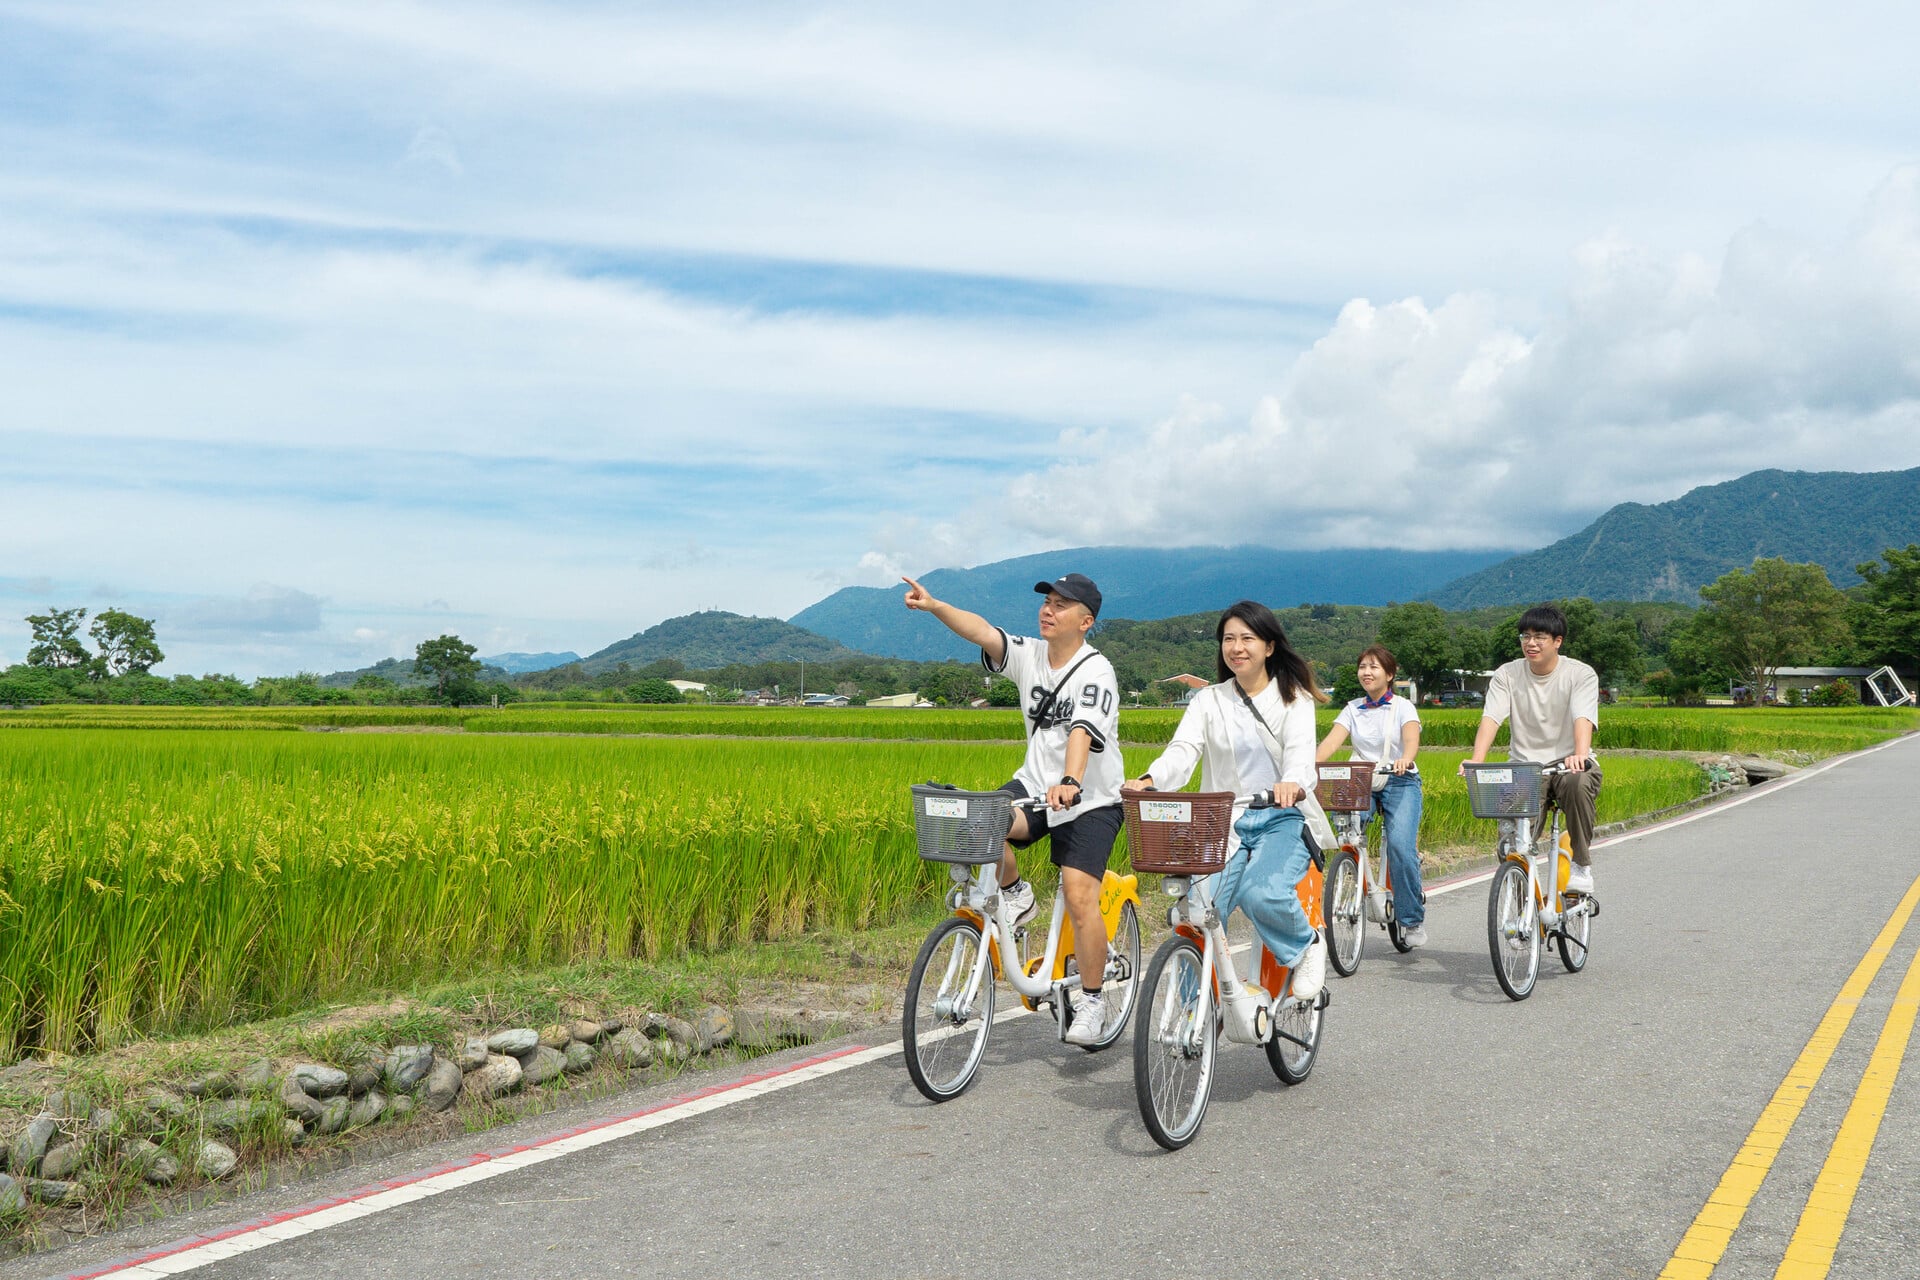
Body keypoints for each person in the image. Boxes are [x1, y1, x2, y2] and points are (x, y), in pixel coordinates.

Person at [902, 571, 1124, 1046]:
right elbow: (983, 631)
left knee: (1079, 892)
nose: (1048, 609)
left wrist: (1070, 781)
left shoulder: (1096, 671)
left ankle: (1092, 1000)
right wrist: (936, 605)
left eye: (1062, 605)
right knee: (981, 822)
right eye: (1047, 601)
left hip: (1091, 800)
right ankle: (1017, 893)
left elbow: (1082, 732)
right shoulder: (1029, 655)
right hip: (1035, 787)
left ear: (1085, 621)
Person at [1128, 601, 1332, 1003]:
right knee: (1197, 912)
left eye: (1247, 639)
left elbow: (1300, 757)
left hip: (1280, 819)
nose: (1237, 647)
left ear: (1269, 647)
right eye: (1229, 639)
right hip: (1222, 822)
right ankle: (1192, 1014)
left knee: (1262, 892)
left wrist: (1289, 783)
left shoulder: (1294, 699)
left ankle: (1307, 946)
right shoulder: (1209, 700)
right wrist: (1152, 779)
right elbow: (1184, 749)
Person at [1462, 604, 1602, 893]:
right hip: (1525, 768)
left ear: (1557, 641)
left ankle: (1581, 865)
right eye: (1525, 636)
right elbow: (1491, 717)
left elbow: (1582, 716)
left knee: (1577, 783)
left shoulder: (1580, 674)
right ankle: (1520, 896)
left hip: (1566, 764)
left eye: (1539, 636)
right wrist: (1476, 759)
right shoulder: (1507, 674)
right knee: (1513, 845)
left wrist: (1580, 753)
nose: (1531, 643)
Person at [1316, 645, 1426, 947]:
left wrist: (1405, 758)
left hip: (1400, 779)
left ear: (1389, 675)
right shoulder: (1353, 708)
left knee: (1401, 848)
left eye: (1374, 667)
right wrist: (1308, 767)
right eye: (1363, 666)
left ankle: (1412, 920)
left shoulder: (1404, 707)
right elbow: (1330, 743)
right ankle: (1355, 881)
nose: (1366, 672)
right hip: (1362, 780)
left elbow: (1411, 740)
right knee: (1348, 836)